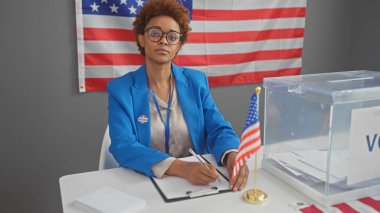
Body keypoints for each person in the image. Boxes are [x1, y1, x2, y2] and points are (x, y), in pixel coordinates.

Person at [107, 0, 248, 191]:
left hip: (198, 182)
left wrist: (232, 153)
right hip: (145, 181)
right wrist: (181, 168)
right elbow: (123, 146)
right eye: (155, 34)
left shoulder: (196, 81)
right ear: (141, 39)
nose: (164, 41)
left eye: (172, 36)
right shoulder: (121, 89)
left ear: (179, 44)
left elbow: (218, 128)